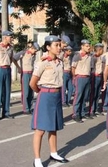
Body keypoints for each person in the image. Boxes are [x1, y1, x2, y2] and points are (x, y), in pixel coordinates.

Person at [29, 35, 69, 167]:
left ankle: (54, 152)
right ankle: (37, 159)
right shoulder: (43, 63)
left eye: (59, 45)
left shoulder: (59, 62)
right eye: (56, 45)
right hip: (45, 96)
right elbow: (32, 83)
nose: (59, 48)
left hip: (56, 97)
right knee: (40, 129)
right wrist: (41, 92)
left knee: (54, 127)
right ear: (48, 47)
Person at [0, 30, 16, 120]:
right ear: (5, 37)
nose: (11, 38)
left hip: (7, 69)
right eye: (10, 37)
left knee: (7, 91)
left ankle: (6, 112)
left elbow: (12, 58)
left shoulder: (11, 47)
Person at [13, 41, 40, 114]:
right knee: (26, 92)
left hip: (31, 73)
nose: (35, 52)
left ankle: (30, 107)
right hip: (25, 74)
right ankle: (26, 109)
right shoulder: (23, 53)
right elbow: (14, 58)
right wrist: (18, 67)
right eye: (35, 50)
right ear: (31, 48)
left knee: (31, 92)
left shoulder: (33, 55)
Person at [72, 39, 92, 122]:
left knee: (85, 96)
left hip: (87, 77)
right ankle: (75, 114)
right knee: (78, 96)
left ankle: (82, 112)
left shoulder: (89, 56)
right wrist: (74, 77)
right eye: (87, 46)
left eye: (89, 46)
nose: (89, 47)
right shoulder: (77, 55)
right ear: (82, 46)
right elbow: (73, 67)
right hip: (80, 77)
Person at [88, 43, 104, 117]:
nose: (103, 50)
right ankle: (91, 110)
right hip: (95, 76)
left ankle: (95, 109)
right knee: (93, 94)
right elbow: (91, 68)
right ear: (99, 49)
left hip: (100, 76)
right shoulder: (93, 57)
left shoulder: (101, 57)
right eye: (102, 49)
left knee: (98, 94)